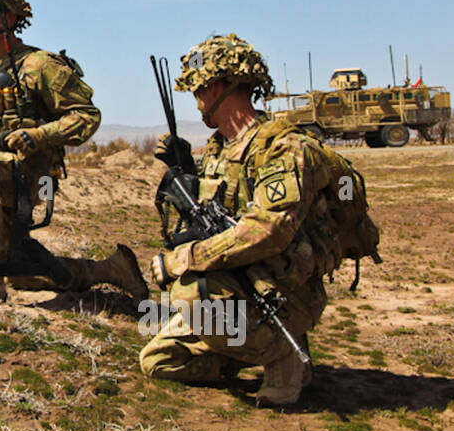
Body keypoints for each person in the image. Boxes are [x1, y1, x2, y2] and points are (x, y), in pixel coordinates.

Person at [139, 33, 344, 406]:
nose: (197, 101)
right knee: (158, 361)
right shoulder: (219, 151)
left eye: (199, 90)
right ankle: (242, 351)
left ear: (217, 86)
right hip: (241, 283)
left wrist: (184, 259)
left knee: (190, 290)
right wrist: (184, 172)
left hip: (283, 294)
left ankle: (284, 351)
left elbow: (268, 231)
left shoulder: (283, 148)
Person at [0, 0, 146, 299]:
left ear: (10, 17)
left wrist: (40, 134)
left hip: (29, 175)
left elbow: (86, 116)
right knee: (23, 273)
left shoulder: (39, 65)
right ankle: (111, 269)